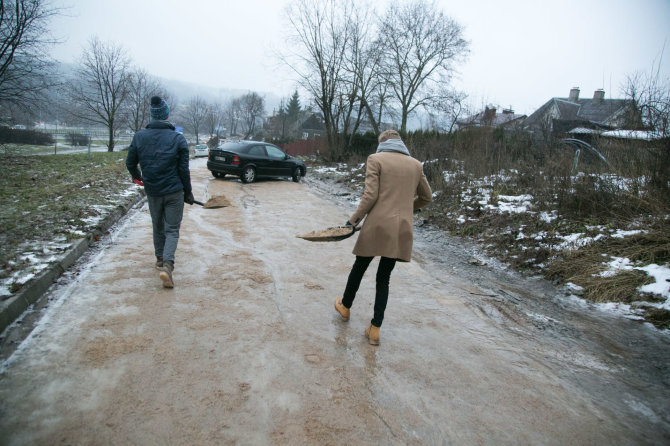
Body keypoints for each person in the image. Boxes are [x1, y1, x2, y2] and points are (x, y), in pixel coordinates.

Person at [334, 130, 432, 345]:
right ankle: (375, 329)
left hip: (377, 224)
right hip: (401, 229)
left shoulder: (376, 159)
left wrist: (353, 221)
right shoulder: (416, 164)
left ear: (382, 143)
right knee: (383, 277)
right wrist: (407, 209)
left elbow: (370, 195)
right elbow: (427, 197)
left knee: (359, 266)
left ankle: (345, 306)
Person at [126, 96, 194, 288]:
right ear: (166, 115)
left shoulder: (139, 137)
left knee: (157, 225)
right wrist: (188, 193)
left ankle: (159, 259)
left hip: (153, 190)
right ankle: (168, 266)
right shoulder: (178, 139)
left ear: (152, 116)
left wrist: (138, 177)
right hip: (174, 191)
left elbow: (130, 162)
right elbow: (183, 170)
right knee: (172, 229)